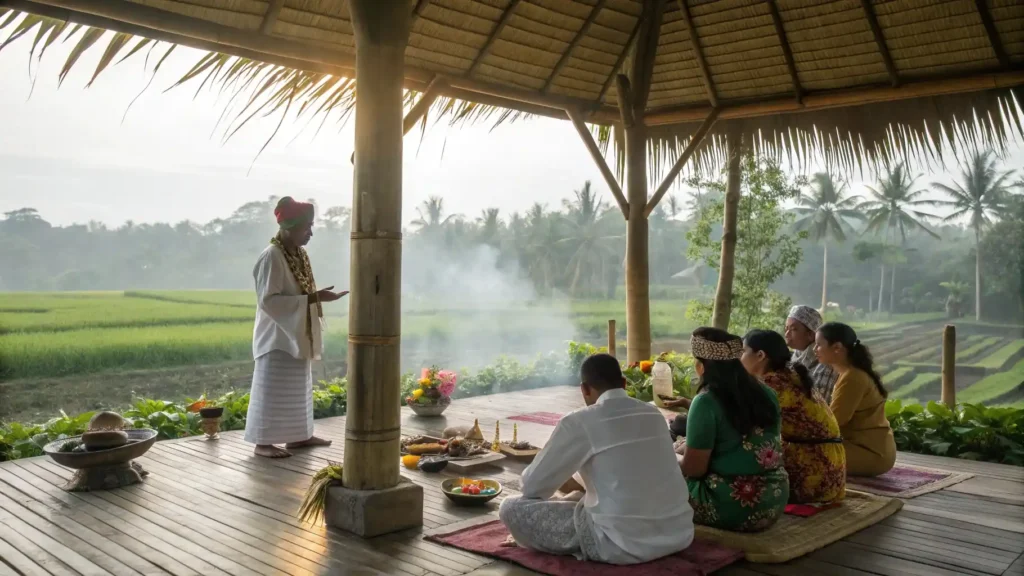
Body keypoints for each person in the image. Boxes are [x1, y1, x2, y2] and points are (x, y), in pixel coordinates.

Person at [498, 353, 694, 564]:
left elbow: (531, 488)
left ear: (584, 389)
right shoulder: (653, 414)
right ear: (624, 383)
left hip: (620, 544)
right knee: (584, 491)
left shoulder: (579, 421)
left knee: (510, 507)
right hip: (678, 534)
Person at [245, 197, 348, 459]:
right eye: (307, 227)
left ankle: (299, 437)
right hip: (277, 336)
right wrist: (314, 298)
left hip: (297, 332)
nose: (310, 233)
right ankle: (263, 443)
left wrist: (317, 297)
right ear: (289, 227)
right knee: (272, 390)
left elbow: (300, 291)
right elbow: (269, 301)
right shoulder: (272, 256)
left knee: (298, 388)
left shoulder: (298, 254)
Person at [677, 328, 789, 532]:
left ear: (700, 366)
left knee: (655, 474)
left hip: (730, 505)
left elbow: (694, 470)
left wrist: (670, 456)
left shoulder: (705, 401)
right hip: (773, 500)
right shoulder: (767, 393)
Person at [741, 330, 846, 504]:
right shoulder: (790, 375)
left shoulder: (772, 383)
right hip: (830, 470)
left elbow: (737, 421)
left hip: (813, 474)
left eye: (743, 352)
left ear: (760, 355)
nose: (740, 358)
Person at [815, 322, 897, 477]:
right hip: (874, 449)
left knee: (801, 453)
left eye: (819, 345)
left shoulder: (852, 377)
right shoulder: (849, 374)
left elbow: (834, 422)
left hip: (870, 453)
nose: (815, 350)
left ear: (837, 348)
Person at [786, 305, 839, 403]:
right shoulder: (793, 358)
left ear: (810, 335)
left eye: (793, 329)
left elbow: (820, 407)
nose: (786, 334)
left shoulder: (825, 367)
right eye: (786, 328)